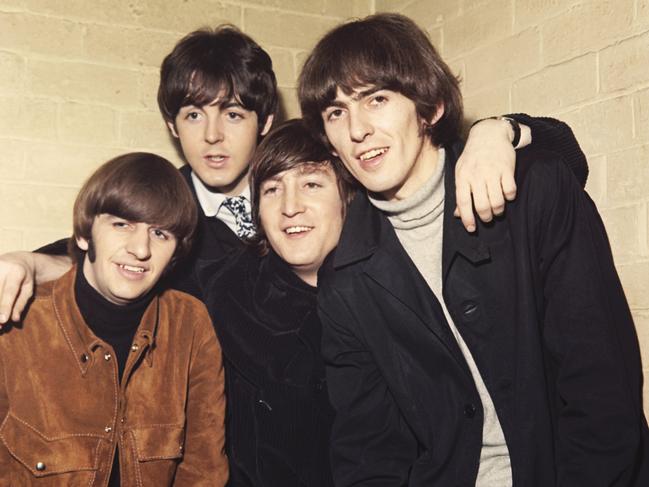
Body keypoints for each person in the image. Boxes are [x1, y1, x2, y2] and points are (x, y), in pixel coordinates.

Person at [0, 23, 588, 324]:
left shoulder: (334, 176)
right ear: (172, 126)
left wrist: (500, 128)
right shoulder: (160, 217)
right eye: (192, 114)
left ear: (266, 119)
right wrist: (27, 262)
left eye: (232, 114)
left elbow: (537, 159)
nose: (212, 135)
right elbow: (95, 256)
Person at [298, 13, 649, 487]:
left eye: (376, 99)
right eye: (336, 112)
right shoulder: (343, 280)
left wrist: (502, 129)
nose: (356, 130)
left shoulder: (535, 193)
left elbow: (602, 398)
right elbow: (369, 451)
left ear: (431, 107)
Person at [0, 153, 228, 486]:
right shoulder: (19, 320)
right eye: (122, 225)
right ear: (84, 234)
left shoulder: (190, 324)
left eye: (160, 234)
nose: (140, 249)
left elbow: (204, 470)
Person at [197, 119, 356, 486]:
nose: (289, 207)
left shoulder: (384, 293)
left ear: (347, 196)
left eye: (311, 185)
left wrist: (501, 132)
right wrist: (38, 263)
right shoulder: (225, 288)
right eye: (271, 190)